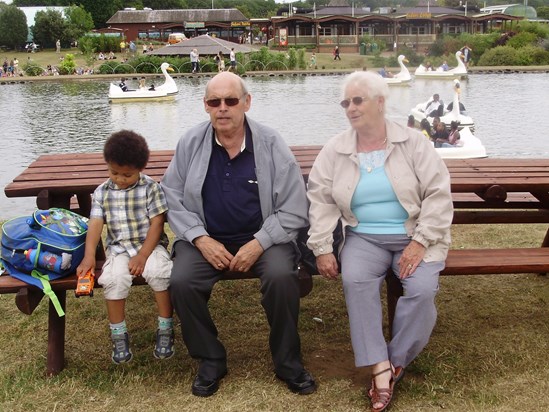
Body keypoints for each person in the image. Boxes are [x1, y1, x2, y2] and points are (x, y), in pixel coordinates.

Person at [160, 72, 316, 398]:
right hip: (206, 237)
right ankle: (211, 359)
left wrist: (259, 242)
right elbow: (170, 197)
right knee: (183, 281)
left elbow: (295, 208)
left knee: (281, 276)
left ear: (247, 102)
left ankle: (288, 362)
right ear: (205, 106)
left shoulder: (272, 144)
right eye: (214, 102)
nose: (223, 108)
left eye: (231, 100)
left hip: (264, 236)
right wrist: (200, 238)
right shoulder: (190, 143)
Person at [306, 71, 453, 412]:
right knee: (356, 280)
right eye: (346, 102)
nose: (351, 108)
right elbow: (321, 198)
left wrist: (421, 241)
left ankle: (396, 359)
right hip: (364, 237)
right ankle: (379, 370)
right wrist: (323, 247)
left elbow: (438, 194)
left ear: (381, 102)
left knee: (421, 290)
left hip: (413, 235)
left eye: (358, 100)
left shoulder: (414, 142)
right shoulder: (336, 149)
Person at [76, 130, 175, 364]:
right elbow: (96, 223)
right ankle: (118, 334)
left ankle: (165, 328)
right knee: (113, 278)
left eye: (127, 175)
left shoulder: (151, 188)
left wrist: (142, 255)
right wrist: (89, 255)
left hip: (149, 247)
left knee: (159, 272)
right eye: (114, 173)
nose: (120, 179)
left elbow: (157, 224)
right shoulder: (102, 191)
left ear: (140, 169)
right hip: (119, 249)